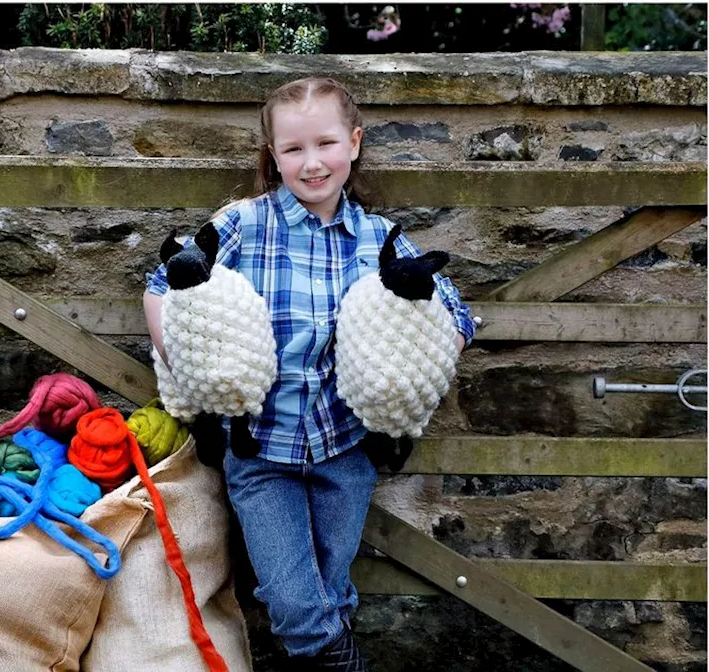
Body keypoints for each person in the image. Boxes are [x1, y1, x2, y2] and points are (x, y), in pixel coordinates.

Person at [142, 77, 475, 670]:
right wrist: (187, 362)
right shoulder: (241, 225)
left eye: (326, 143)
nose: (312, 162)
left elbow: (452, 311)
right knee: (295, 601)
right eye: (293, 148)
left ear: (353, 142)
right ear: (273, 154)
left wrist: (418, 365)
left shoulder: (381, 240)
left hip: (344, 448)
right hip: (260, 448)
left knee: (331, 589)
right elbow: (164, 284)